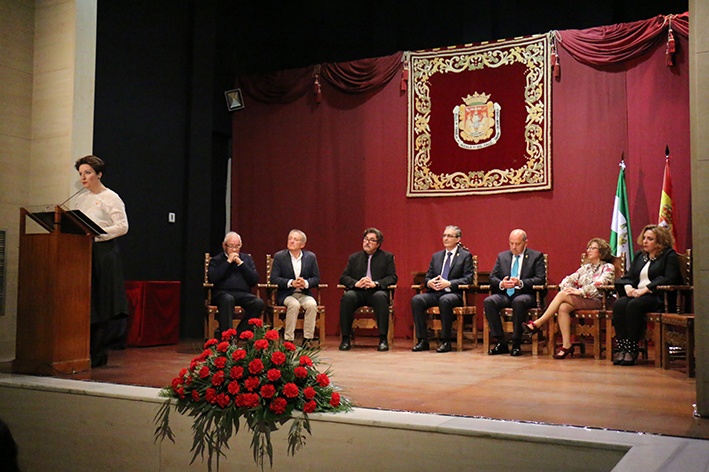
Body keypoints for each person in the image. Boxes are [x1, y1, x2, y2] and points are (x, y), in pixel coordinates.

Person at [73, 155, 129, 368]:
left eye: (87, 173)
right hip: (82, 252)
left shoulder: (111, 197)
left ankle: (98, 353)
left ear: (99, 174)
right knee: (86, 302)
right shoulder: (81, 198)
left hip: (103, 253)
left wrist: (97, 235)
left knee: (101, 303)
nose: (83, 177)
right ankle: (81, 350)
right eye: (81, 174)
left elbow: (122, 226)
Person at [522, 238, 616, 359]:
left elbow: (601, 284)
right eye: (588, 248)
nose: (589, 250)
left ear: (601, 251)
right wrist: (569, 288)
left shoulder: (608, 267)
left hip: (599, 300)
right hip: (583, 299)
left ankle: (537, 323)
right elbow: (569, 279)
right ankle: (567, 345)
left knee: (562, 295)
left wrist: (580, 291)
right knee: (563, 307)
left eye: (593, 248)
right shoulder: (586, 268)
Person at [612, 224, 681, 366]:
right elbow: (630, 276)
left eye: (650, 239)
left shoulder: (669, 255)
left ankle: (632, 348)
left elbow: (669, 278)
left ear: (660, 241)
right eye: (644, 238)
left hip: (658, 296)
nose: (645, 241)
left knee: (634, 305)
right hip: (638, 294)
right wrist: (628, 287)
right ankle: (623, 346)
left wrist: (646, 289)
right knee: (619, 304)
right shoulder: (640, 256)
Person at [411, 226, 474, 353]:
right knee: (417, 300)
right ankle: (422, 340)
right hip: (435, 292)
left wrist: (449, 283)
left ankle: (446, 341)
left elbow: (468, 279)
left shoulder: (465, 256)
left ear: (458, 239)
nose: (445, 238)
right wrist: (430, 283)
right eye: (444, 235)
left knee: (445, 300)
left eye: (449, 236)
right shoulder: (437, 256)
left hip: (454, 294)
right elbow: (427, 277)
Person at [484, 229, 546, 356]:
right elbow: (492, 277)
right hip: (506, 294)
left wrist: (520, 283)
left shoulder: (536, 256)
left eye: (517, 244)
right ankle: (501, 342)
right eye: (511, 243)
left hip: (526, 294)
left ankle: (516, 342)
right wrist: (502, 283)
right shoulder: (502, 256)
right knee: (489, 301)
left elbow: (540, 279)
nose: (514, 247)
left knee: (519, 301)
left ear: (525, 243)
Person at [339, 227, 398, 352]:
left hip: (376, 291)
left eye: (371, 240)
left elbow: (392, 277)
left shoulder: (387, 257)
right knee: (348, 297)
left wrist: (375, 283)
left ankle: (383, 339)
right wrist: (356, 283)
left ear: (378, 244)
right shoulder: (354, 258)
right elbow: (343, 277)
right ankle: (345, 338)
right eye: (365, 239)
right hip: (358, 292)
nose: (367, 242)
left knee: (380, 297)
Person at [208, 232, 265, 338]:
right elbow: (213, 278)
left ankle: (238, 334)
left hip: (242, 294)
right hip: (222, 294)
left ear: (241, 245)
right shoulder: (217, 260)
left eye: (237, 246)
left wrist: (240, 263)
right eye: (231, 246)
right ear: (224, 245)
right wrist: (228, 261)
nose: (234, 250)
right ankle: (227, 337)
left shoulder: (247, 259)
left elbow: (254, 280)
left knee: (258, 303)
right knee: (228, 299)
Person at [270, 229, 321, 346]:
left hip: (304, 293)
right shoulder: (280, 256)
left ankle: (307, 339)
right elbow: (274, 278)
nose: (291, 241)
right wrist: (291, 283)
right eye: (290, 238)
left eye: (295, 239)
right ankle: (289, 340)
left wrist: (305, 283)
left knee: (312, 305)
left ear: (302, 244)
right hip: (286, 294)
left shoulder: (310, 257)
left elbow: (316, 278)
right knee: (294, 305)